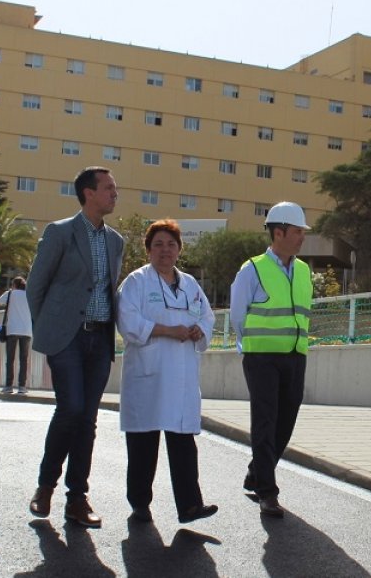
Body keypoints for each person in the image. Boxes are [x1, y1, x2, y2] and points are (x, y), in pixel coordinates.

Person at [26, 166, 125, 529]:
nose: (115, 194)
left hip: (99, 338)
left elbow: (108, 291)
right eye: (109, 188)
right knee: (71, 408)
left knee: (88, 418)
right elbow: (36, 286)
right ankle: (45, 486)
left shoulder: (116, 241)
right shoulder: (60, 232)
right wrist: (49, 330)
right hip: (66, 338)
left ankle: (77, 498)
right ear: (88, 193)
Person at [117, 219, 218, 524]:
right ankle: (139, 502)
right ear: (148, 250)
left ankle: (190, 506)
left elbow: (207, 317)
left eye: (171, 244)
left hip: (182, 375)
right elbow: (129, 323)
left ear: (179, 250)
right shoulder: (136, 282)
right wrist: (165, 330)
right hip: (150, 375)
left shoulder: (190, 284)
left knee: (183, 443)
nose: (165, 250)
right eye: (158, 244)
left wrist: (200, 330)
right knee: (143, 445)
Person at [230, 201, 313, 519]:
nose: (301, 237)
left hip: (295, 355)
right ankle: (267, 491)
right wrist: (249, 345)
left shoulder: (304, 270)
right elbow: (238, 314)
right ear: (278, 232)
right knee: (265, 421)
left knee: (285, 422)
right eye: (297, 231)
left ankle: (256, 473)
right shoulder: (252, 268)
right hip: (261, 356)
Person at [0, 276, 32, 394]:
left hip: (12, 330)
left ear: (14, 285)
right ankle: (22, 387)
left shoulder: (11, 294)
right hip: (26, 330)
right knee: (24, 359)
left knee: (10, 359)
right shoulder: (29, 294)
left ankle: (8, 386)